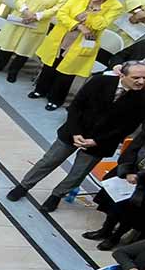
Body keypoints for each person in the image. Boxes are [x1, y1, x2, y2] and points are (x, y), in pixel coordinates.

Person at [8, 60, 145, 211]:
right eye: (136, 78)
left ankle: (56, 196)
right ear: (122, 75)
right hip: (74, 131)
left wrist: (96, 141)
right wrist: (75, 133)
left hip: (101, 142)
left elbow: (128, 127)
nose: (141, 82)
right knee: (49, 161)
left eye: (144, 78)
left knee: (78, 173)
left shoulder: (142, 97)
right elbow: (76, 106)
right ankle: (24, 186)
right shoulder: (100, 81)